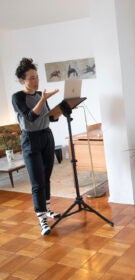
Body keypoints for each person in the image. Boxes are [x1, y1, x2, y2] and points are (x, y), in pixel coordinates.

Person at [12, 58, 60, 235]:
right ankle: (42, 220)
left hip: (46, 136)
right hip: (30, 140)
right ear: (22, 80)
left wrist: (60, 111)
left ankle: (46, 210)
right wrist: (43, 100)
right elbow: (30, 117)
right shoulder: (18, 97)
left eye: (37, 77)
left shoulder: (41, 95)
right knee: (37, 182)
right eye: (31, 78)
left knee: (46, 176)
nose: (36, 81)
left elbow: (49, 118)